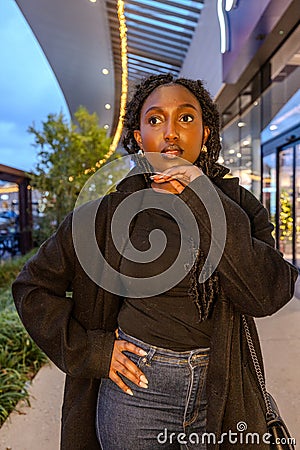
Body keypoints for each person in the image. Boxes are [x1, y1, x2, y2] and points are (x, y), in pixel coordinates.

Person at [12, 74, 298, 450]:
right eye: (155, 119)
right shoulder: (102, 216)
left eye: (185, 117)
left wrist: (201, 197)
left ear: (206, 133)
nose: (171, 132)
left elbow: (266, 294)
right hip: (136, 394)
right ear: (136, 136)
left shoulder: (240, 207)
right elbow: (31, 287)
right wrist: (92, 351)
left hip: (221, 390)